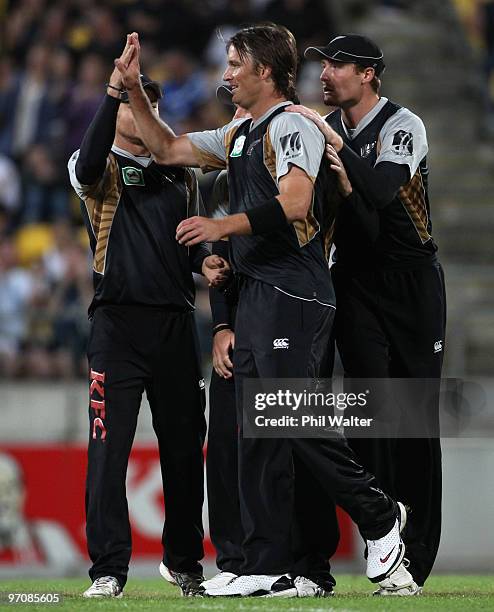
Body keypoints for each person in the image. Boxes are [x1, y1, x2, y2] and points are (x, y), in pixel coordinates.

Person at [116, 25, 408, 598]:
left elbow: (296, 202)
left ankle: (380, 516)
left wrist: (221, 226)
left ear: (265, 71)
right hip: (258, 293)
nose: (224, 75)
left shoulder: (292, 123)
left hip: (294, 293)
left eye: (233, 64)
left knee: (292, 417)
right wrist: (132, 93)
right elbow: (169, 149)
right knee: (261, 432)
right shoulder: (240, 132)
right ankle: (266, 564)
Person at [67, 37, 229, 599]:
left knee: (185, 449)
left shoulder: (181, 175)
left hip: (175, 325)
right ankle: (108, 570)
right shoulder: (98, 164)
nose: (150, 116)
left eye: (153, 108)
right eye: (140, 107)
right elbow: (86, 167)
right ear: (121, 113)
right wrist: (114, 92)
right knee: (108, 450)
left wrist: (202, 257)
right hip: (116, 327)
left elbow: (183, 245)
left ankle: (184, 562)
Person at [291, 33, 446, 595]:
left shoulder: (403, 125)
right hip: (354, 281)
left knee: (414, 420)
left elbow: (381, 191)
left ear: (369, 74)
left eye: (337, 65)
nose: (325, 75)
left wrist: (333, 142)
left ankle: (418, 557)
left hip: (410, 284)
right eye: (323, 65)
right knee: (370, 416)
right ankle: (388, 551)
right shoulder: (332, 134)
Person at [205, 166, 339, 598]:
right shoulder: (229, 179)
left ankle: (310, 564)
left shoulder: (304, 186)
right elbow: (220, 258)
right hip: (242, 330)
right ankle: (239, 562)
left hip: (292, 322)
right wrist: (221, 326)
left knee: (298, 438)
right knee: (229, 444)